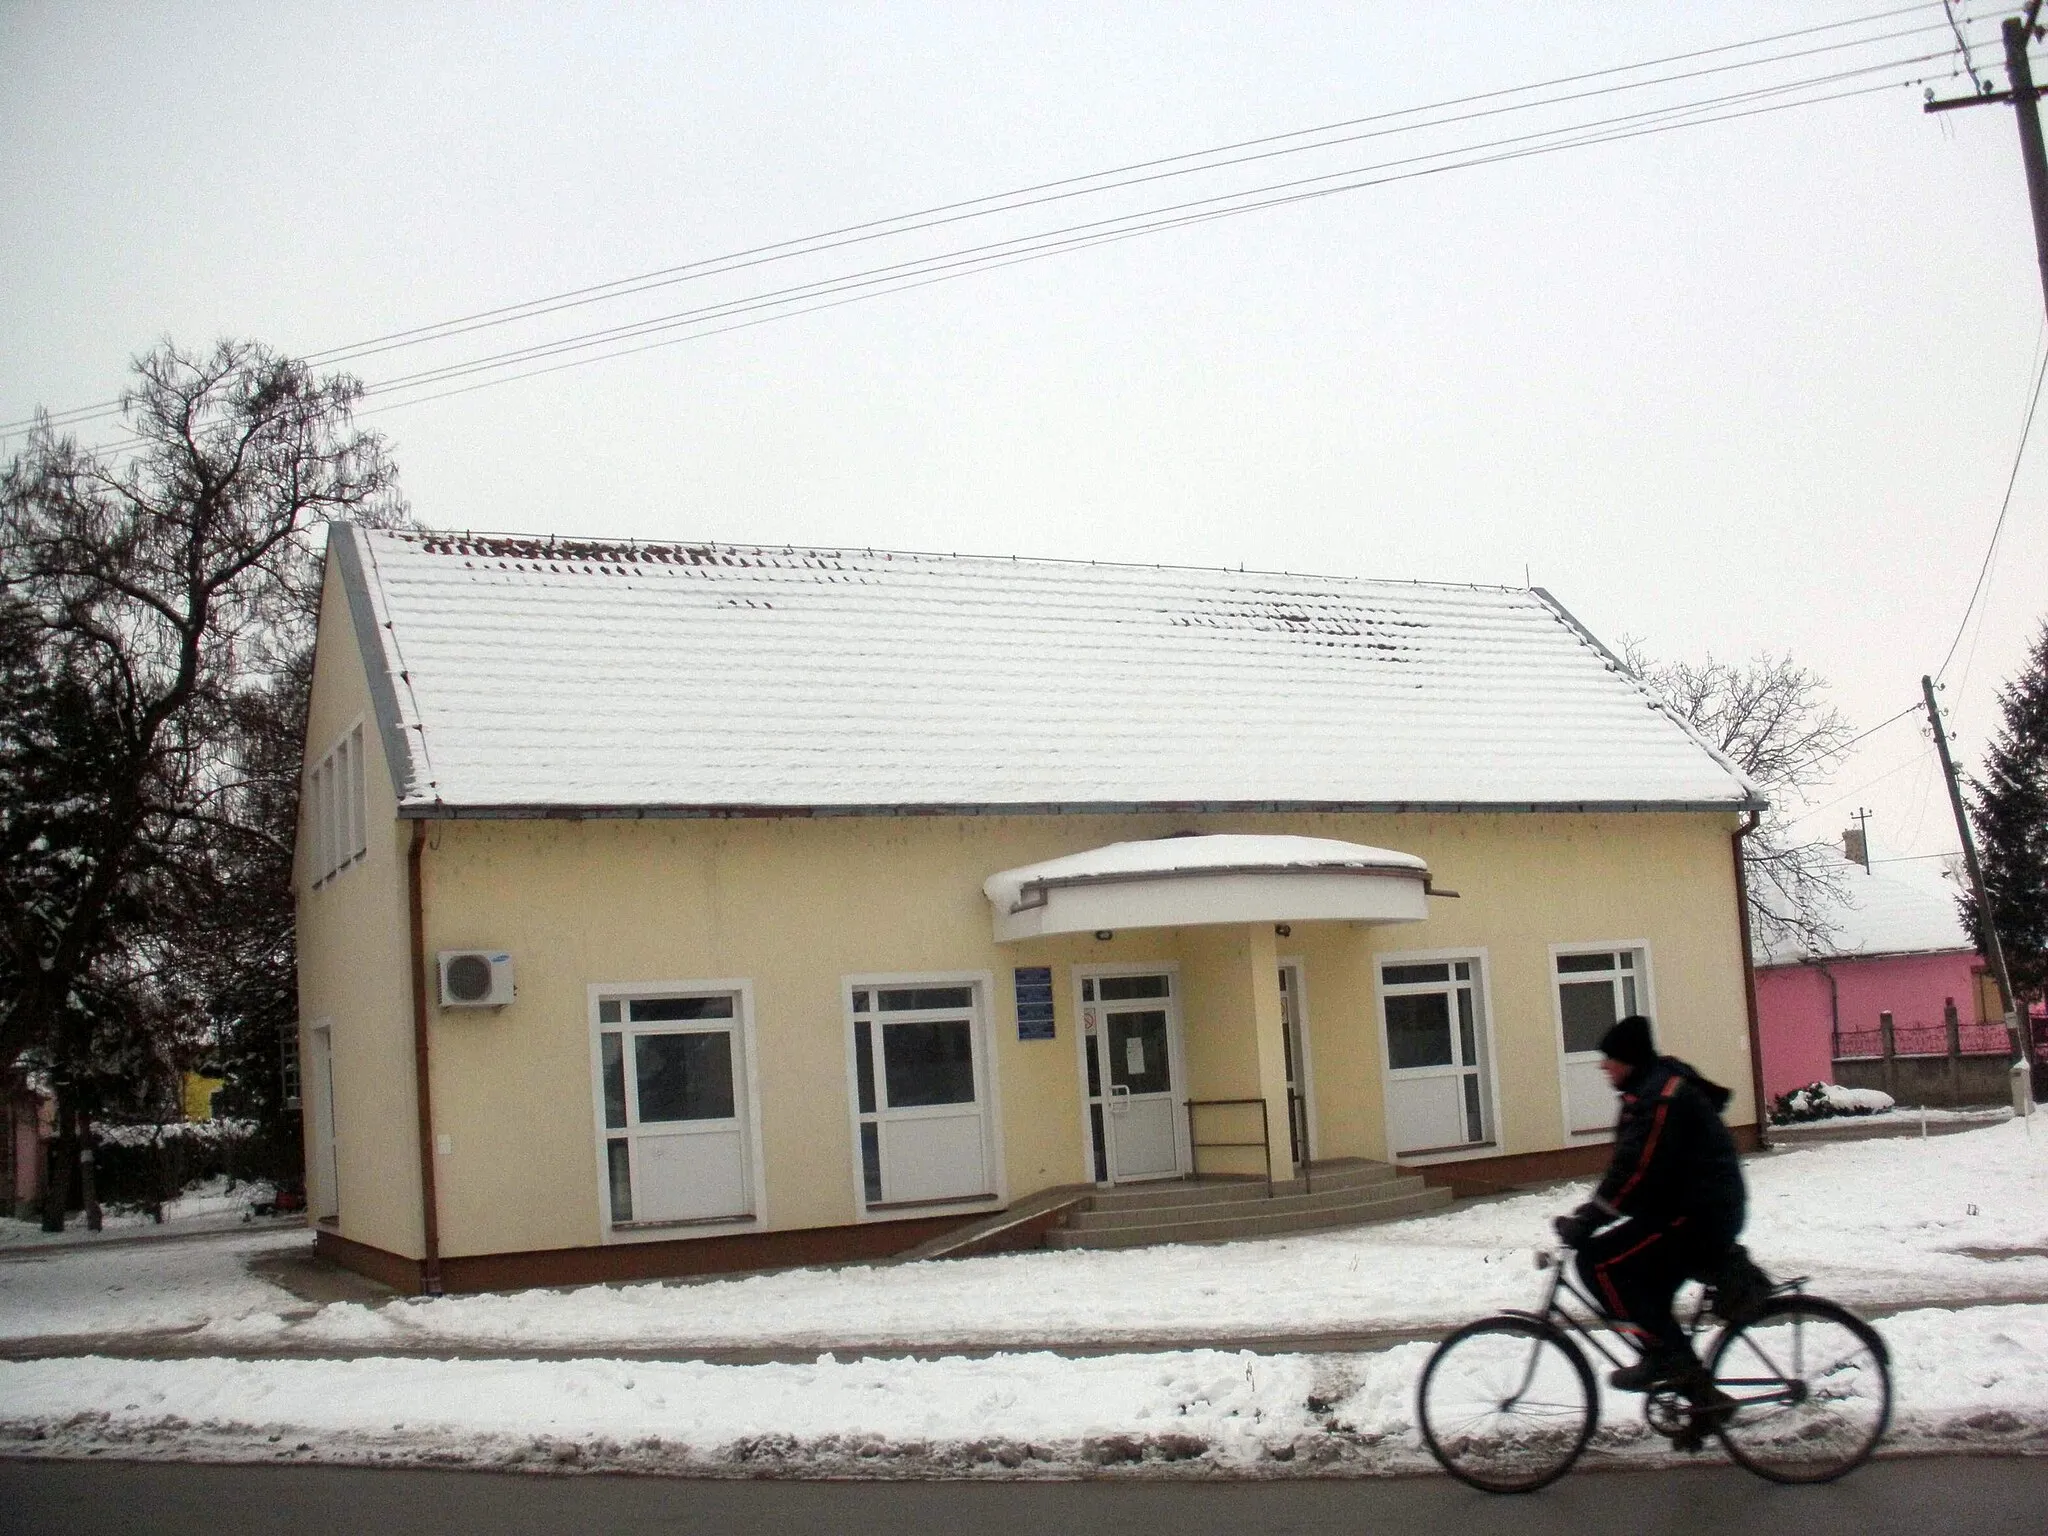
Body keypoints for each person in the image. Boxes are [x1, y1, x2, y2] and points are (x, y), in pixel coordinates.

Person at [1551, 1015, 1749, 1393]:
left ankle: (1666, 1360)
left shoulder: (1659, 1097)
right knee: (1644, 1290)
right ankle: (1699, 1393)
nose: (1602, 1065)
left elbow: (1636, 1174)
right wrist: (1589, 1215)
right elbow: (1627, 1172)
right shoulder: (1647, 1091)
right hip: (1687, 1210)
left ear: (1629, 1059)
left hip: (1700, 1215)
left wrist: (1588, 1222)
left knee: (1598, 1263)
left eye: (1609, 1058)